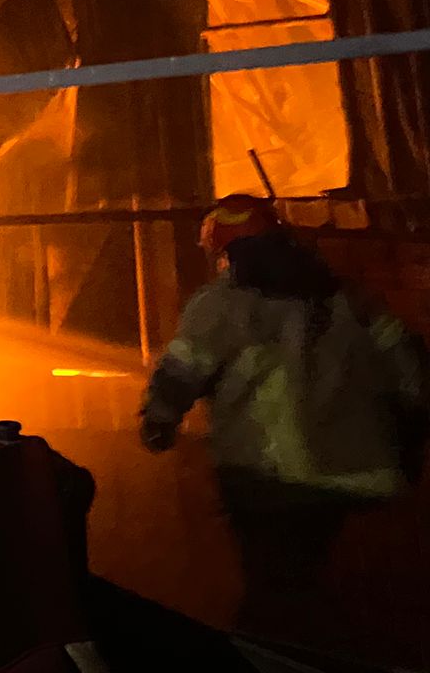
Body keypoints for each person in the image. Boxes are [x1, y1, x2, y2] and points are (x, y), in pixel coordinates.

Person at [139, 194, 425, 639]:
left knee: (272, 590)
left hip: (261, 473)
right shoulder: (347, 296)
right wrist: (409, 426)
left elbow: (183, 370)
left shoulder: (221, 304)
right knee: (305, 573)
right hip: (341, 472)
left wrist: (159, 420)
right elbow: (407, 362)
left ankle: (279, 664)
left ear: (224, 248)